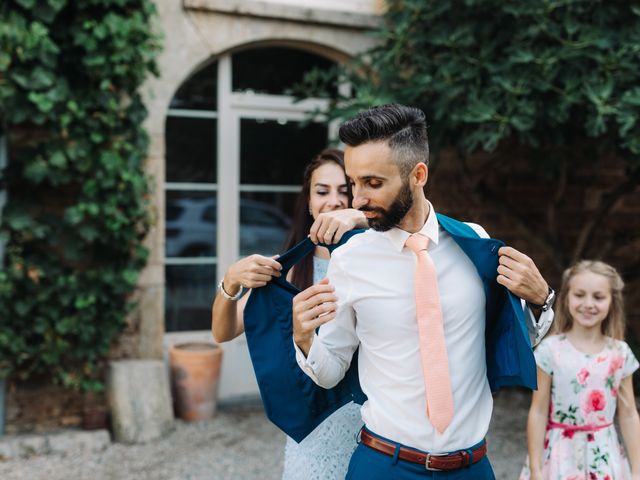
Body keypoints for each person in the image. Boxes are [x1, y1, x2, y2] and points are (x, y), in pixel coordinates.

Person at [292, 104, 556, 479]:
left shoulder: (475, 244)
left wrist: (542, 298)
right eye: (354, 183)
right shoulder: (349, 261)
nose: (357, 200)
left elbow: (511, 341)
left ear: (418, 175)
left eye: (373, 183)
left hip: (472, 468)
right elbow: (331, 369)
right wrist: (303, 336)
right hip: (383, 466)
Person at [211, 148, 368, 480]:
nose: (334, 201)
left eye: (345, 191)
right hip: (311, 437)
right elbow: (223, 332)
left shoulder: (382, 261)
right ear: (309, 202)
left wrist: (366, 222)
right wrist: (230, 281)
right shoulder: (290, 269)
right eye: (322, 192)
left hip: (374, 431)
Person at [519, 260, 640, 480]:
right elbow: (538, 411)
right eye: (580, 294)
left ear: (612, 301)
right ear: (566, 299)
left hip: (603, 455)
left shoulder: (619, 354)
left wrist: (637, 470)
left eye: (598, 297)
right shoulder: (550, 351)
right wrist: (536, 469)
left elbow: (629, 413)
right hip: (558, 456)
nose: (588, 303)